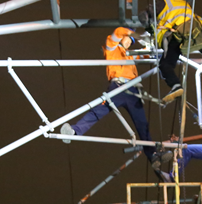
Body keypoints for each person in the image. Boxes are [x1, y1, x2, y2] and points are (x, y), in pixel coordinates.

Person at [60, 27, 170, 168]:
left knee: (142, 124)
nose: (129, 43)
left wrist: (153, 46)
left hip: (133, 91)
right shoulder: (112, 49)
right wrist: (136, 35)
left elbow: (147, 55)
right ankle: (75, 131)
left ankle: (153, 155)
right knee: (97, 111)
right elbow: (118, 31)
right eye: (128, 39)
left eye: (131, 42)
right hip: (118, 87)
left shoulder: (130, 55)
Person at [139, 0, 202, 103]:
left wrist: (151, 31)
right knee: (195, 39)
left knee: (165, 64)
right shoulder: (177, 1)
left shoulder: (159, 12)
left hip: (180, 32)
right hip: (200, 28)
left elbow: (161, 40)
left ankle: (176, 85)